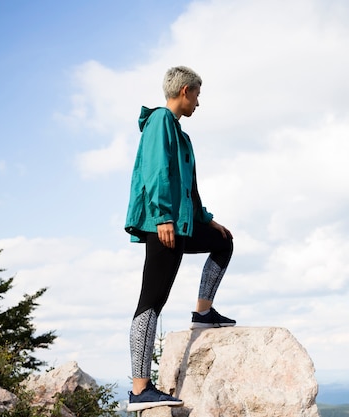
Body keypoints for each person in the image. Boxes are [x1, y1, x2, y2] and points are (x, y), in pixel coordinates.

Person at [124, 66, 235, 412]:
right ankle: (140, 389)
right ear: (185, 91)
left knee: (224, 242)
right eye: (198, 95)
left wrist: (208, 221)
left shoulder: (182, 135)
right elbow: (156, 170)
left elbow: (189, 189)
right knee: (151, 301)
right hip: (164, 224)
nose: (199, 103)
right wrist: (162, 217)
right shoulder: (160, 122)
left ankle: (203, 313)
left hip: (182, 223)